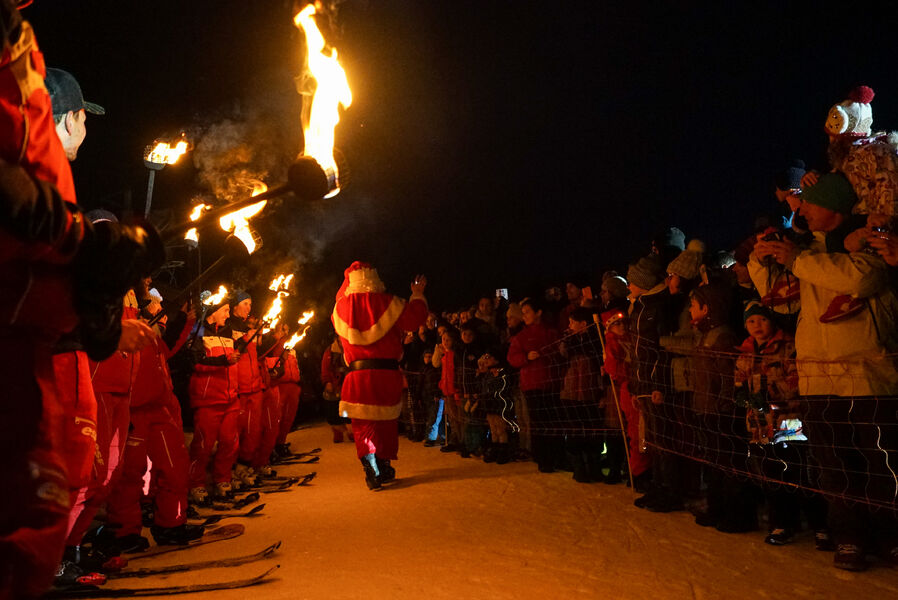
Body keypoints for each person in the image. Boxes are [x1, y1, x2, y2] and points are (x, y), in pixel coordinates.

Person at [752, 172, 898, 571]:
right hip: (818, 376)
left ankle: (889, 535)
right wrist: (762, 259)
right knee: (834, 468)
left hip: (868, 373)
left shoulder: (860, 240)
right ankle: (848, 537)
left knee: (881, 464)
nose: (801, 210)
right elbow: (779, 303)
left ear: (832, 207)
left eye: (809, 203)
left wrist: (798, 260)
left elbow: (863, 278)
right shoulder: (807, 249)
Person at [734, 301, 830, 549]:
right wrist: (743, 395)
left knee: (798, 470)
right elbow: (738, 382)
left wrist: (770, 392)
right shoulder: (745, 353)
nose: (757, 325)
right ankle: (783, 522)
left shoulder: (787, 346)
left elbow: (796, 379)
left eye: (762, 320)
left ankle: (821, 524)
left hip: (787, 419)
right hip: (759, 423)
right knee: (771, 472)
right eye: (752, 321)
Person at [331, 262, 428, 489]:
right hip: (386, 374)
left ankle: (372, 469)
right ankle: (383, 466)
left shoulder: (339, 310)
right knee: (386, 423)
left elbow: (340, 297)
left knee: (363, 426)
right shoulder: (390, 303)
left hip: (357, 376)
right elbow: (415, 319)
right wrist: (417, 294)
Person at [187, 295, 242, 504]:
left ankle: (222, 479)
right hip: (208, 399)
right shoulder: (198, 331)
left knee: (230, 442)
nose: (228, 315)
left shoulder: (228, 333)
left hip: (230, 398)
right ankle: (196, 484)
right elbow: (196, 362)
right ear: (214, 311)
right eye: (225, 310)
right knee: (203, 445)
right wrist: (224, 360)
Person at [507, 297, 561, 473]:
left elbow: (558, 354)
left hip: (552, 383)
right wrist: (525, 358)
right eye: (523, 313)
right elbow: (512, 357)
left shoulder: (551, 332)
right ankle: (542, 457)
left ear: (538, 313)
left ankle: (556, 456)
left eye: (527, 312)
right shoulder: (522, 336)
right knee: (538, 422)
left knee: (553, 421)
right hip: (532, 385)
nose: (524, 316)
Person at [225, 291, 264, 488]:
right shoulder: (229, 326)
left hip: (254, 385)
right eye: (245, 304)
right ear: (235, 307)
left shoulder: (249, 327)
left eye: (250, 304)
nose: (249, 308)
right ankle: (230, 469)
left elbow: (257, 352)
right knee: (236, 431)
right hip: (239, 387)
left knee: (253, 430)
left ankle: (244, 465)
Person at [320, 334, 352, 443]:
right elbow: (325, 368)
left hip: (348, 383)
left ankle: (351, 431)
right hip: (335, 384)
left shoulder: (351, 348)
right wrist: (327, 382)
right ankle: (337, 431)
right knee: (333, 410)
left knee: (347, 410)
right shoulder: (329, 351)